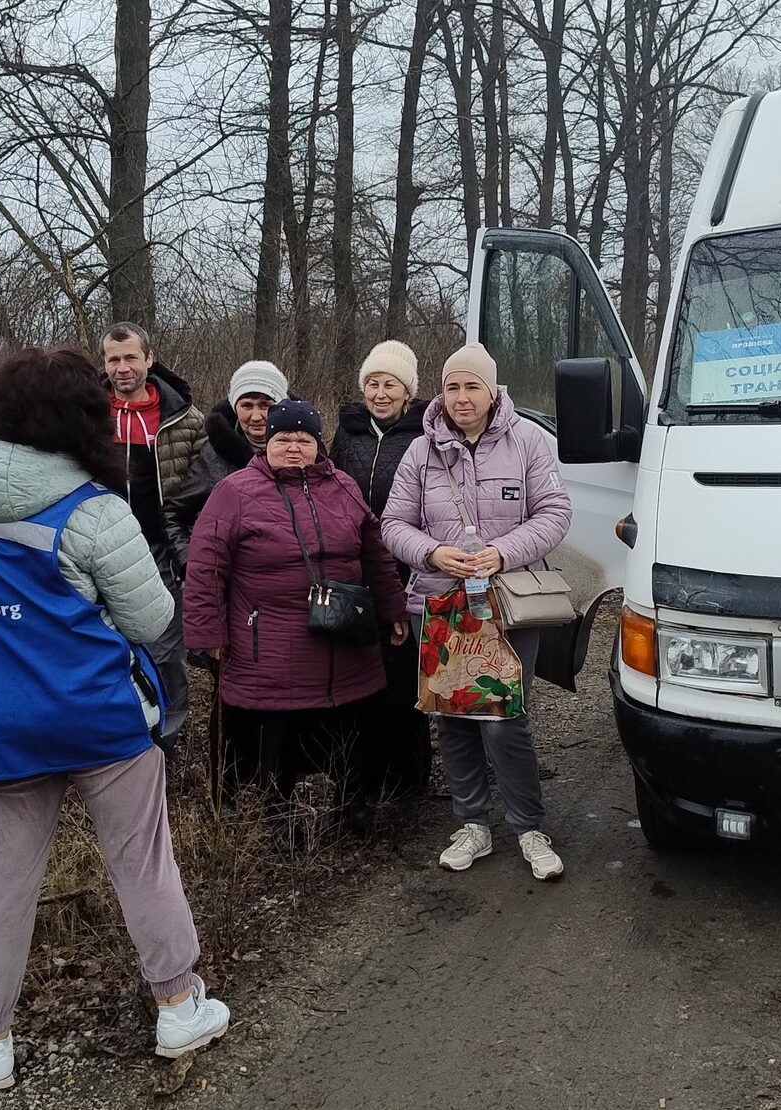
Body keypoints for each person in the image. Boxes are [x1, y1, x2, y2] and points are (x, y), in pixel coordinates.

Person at [0, 349, 229, 1094]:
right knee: (142, 863)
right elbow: (152, 619)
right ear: (78, 422)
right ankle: (178, 1006)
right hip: (97, 722)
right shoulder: (92, 508)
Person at [381, 342, 573, 881]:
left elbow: (556, 512)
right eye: (452, 386)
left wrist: (503, 552)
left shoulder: (527, 442)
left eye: (471, 386)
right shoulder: (421, 452)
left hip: (506, 605)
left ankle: (529, 827)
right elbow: (393, 523)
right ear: (440, 392)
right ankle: (472, 825)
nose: (461, 397)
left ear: (492, 391)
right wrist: (432, 552)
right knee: (452, 718)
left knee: (505, 719)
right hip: (439, 604)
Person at [182, 401, 411, 848]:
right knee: (278, 732)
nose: (293, 448)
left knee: (351, 724)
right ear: (267, 443)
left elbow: (376, 555)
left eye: (303, 440)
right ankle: (279, 815)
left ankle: (352, 802)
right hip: (270, 640)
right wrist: (208, 635)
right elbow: (206, 567)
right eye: (283, 439)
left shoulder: (343, 486)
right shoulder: (234, 492)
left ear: (317, 445)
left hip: (345, 638)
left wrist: (394, 609)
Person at [163, 359, 290, 806]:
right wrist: (194, 563)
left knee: (283, 695)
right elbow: (174, 512)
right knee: (229, 698)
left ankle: (278, 788)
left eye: (266, 404)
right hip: (232, 600)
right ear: (236, 406)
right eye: (248, 404)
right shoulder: (215, 455)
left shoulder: (299, 445)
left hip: (285, 600)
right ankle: (227, 789)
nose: (257, 416)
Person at [328, 340, 432, 799]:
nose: (380, 392)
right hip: (355, 568)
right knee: (362, 672)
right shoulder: (346, 433)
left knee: (405, 675)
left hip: (406, 566)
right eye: (372, 382)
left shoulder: (425, 435)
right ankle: (369, 770)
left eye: (389, 383)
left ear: (407, 391)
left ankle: (411, 775)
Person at [102, 321, 206, 756]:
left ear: (148, 358)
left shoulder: (184, 417)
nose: (122, 368)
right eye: (113, 359)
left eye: (130, 357)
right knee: (107, 649)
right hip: (102, 550)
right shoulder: (87, 415)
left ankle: (164, 741)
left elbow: (204, 488)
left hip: (162, 551)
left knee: (166, 652)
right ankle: (113, 741)